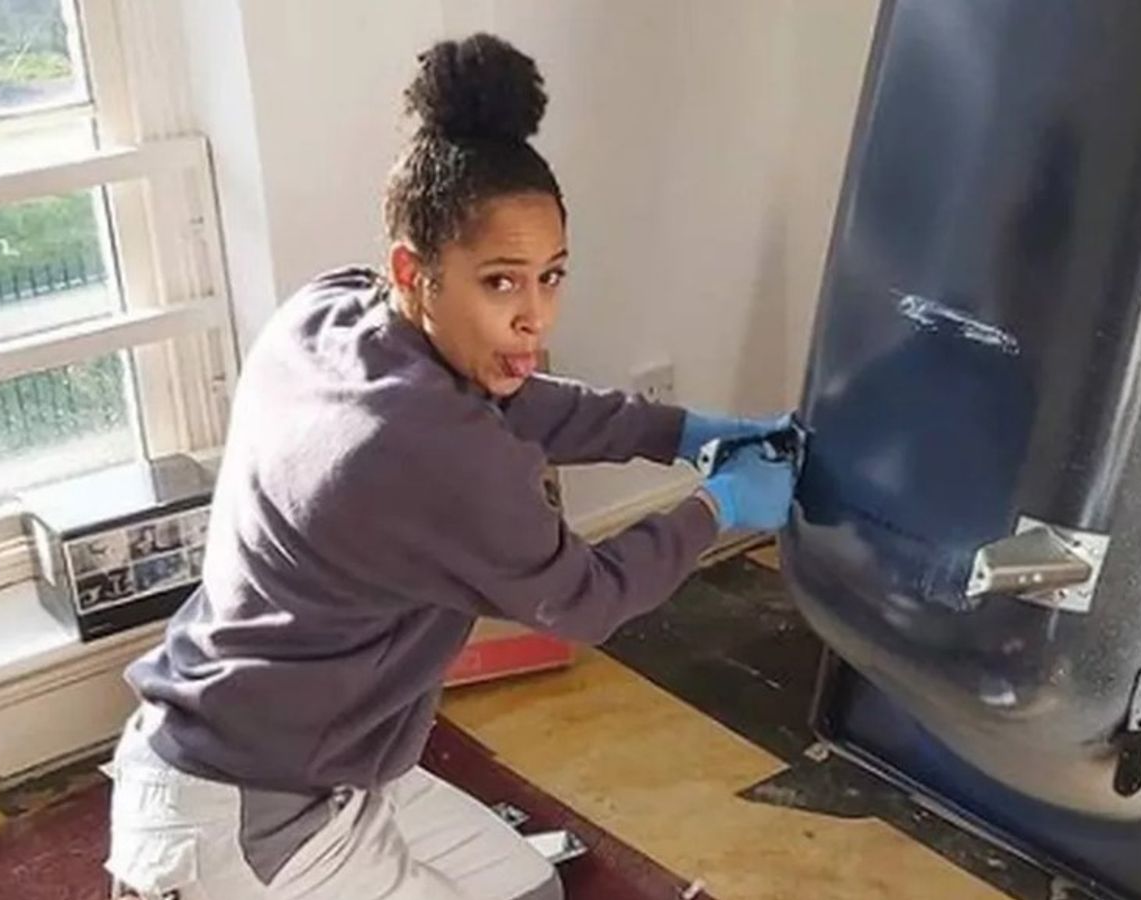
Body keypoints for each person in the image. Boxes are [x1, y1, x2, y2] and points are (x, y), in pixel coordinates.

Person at [105, 33, 796, 900]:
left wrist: (684, 432)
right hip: (241, 818)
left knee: (529, 890)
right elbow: (587, 598)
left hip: (314, 761)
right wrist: (718, 509)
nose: (535, 316)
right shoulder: (432, 451)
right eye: (501, 282)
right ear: (414, 270)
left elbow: (513, 404)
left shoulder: (327, 310)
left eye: (552, 276)